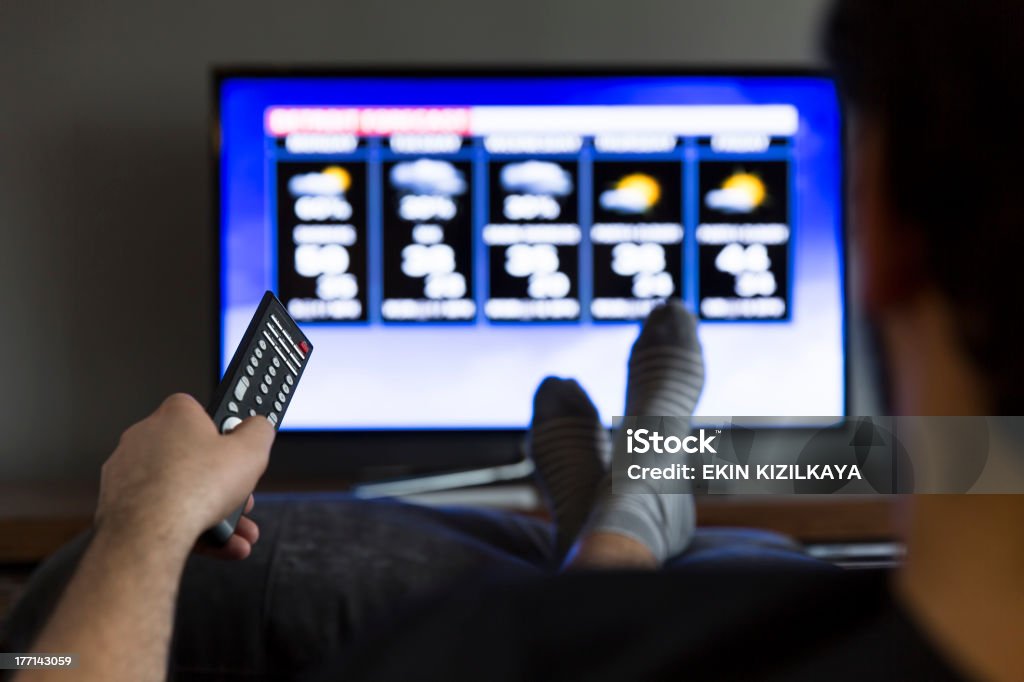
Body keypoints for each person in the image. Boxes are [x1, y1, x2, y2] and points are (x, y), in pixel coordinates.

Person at [7, 0, 1024, 677]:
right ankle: (629, 497)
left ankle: (615, 533)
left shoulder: (474, 649)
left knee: (66, 586)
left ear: (882, 229)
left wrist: (144, 518)